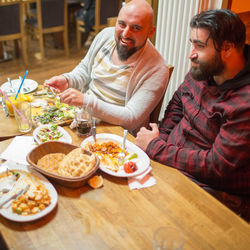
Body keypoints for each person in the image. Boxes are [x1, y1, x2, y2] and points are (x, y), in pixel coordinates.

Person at [135, 9, 250, 221]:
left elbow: (216, 166)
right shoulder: (205, 69)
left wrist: (156, 148)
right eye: (192, 44)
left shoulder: (244, 102)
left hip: (211, 187)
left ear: (227, 48)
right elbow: (178, 101)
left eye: (200, 46)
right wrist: (161, 137)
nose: (191, 54)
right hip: (171, 161)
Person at [45, 0, 169, 134]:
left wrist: (86, 102)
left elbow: (131, 117)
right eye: (122, 24)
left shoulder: (157, 69)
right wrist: (67, 80)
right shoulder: (106, 36)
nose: (126, 34)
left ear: (151, 32)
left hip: (117, 137)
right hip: (83, 121)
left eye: (136, 28)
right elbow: (85, 69)